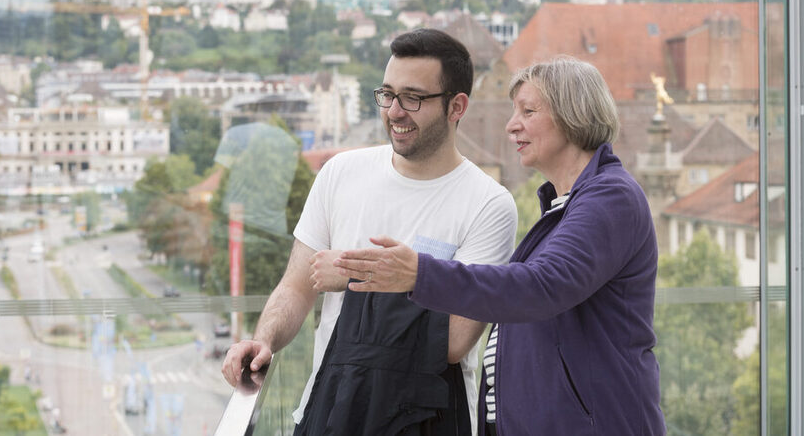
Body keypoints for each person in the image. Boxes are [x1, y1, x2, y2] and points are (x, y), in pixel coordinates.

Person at [335, 56, 666, 435]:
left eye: (528, 111)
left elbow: (538, 287)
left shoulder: (610, 198)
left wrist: (419, 273)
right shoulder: (566, 206)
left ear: (572, 114)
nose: (512, 125)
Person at [222, 28, 518, 434]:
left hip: (428, 420)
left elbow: (454, 340)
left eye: (413, 98)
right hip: (330, 412)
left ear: (457, 106)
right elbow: (295, 288)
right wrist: (265, 341)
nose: (395, 111)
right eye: (387, 94)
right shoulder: (341, 173)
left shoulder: (488, 205)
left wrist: (353, 274)